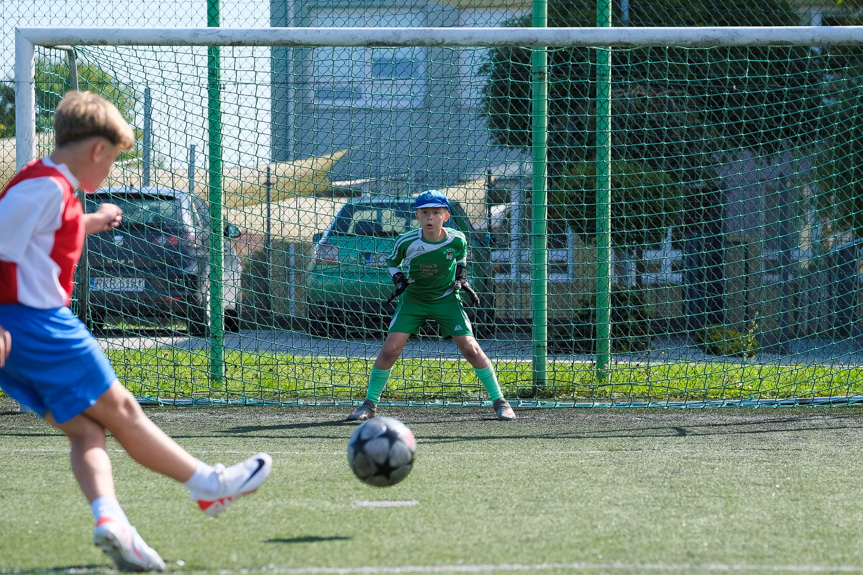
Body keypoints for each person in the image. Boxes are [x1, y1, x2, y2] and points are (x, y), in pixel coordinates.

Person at [0, 91, 272, 573]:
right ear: (97, 150)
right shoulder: (41, 187)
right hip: (35, 323)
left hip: (23, 326)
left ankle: (113, 523)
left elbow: (41, 232)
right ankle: (210, 486)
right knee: (124, 409)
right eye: (114, 160)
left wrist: (92, 221)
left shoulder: (49, 186)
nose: (109, 174)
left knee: (87, 431)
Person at [347, 189, 516, 422]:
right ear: (417, 215)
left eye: (435, 212)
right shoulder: (407, 241)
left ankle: (500, 401)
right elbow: (392, 261)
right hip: (414, 300)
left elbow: (461, 256)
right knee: (390, 349)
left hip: (445, 299)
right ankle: (369, 404)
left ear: (445, 216)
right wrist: (398, 278)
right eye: (424, 212)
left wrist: (462, 276)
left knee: (471, 348)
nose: (429, 217)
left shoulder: (457, 238)